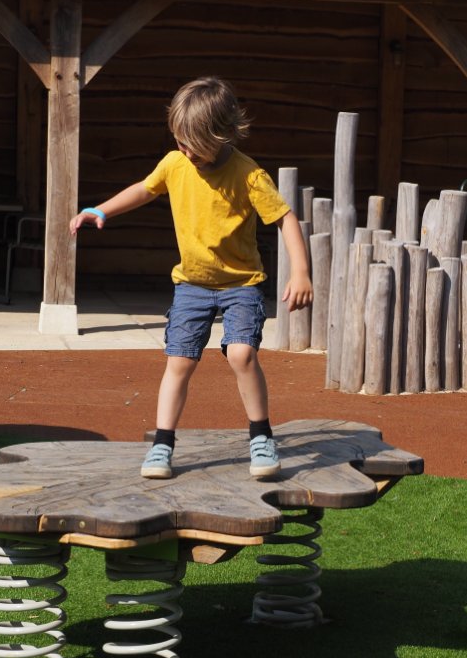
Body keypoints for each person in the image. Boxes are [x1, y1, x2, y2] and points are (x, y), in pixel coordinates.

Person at [70, 76, 313, 480]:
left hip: (241, 285)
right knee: (179, 361)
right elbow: (145, 190)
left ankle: (261, 437)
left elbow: (285, 218)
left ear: (221, 135)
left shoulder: (249, 175)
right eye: (180, 141)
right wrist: (102, 210)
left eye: (193, 144)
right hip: (191, 286)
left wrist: (301, 271)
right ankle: (162, 445)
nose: (185, 151)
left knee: (241, 354)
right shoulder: (174, 164)